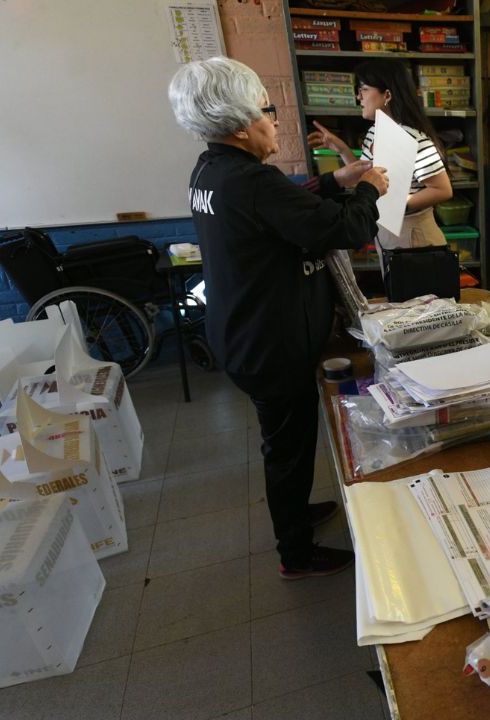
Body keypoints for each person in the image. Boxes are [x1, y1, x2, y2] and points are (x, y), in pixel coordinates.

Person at [168, 57, 389, 580]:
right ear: (242, 124)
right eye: (268, 110)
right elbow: (338, 229)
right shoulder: (250, 182)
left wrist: (337, 178)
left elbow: (286, 203)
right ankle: (295, 550)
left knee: (287, 439)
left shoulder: (212, 170)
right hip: (269, 341)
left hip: (243, 331)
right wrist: (368, 190)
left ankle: (295, 511)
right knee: (287, 448)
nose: (275, 120)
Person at [307, 59, 454, 262]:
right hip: (385, 231)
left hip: (414, 236)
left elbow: (443, 189)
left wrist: (397, 204)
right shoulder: (374, 132)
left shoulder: (413, 139)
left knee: (418, 294)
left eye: (364, 89)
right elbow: (365, 177)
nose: (359, 96)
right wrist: (341, 148)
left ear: (387, 95)